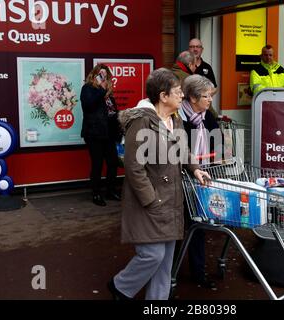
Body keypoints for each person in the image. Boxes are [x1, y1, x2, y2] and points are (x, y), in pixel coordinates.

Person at [108, 68, 210, 300]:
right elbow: (134, 167)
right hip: (150, 202)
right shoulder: (141, 122)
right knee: (152, 255)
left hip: (171, 200)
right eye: (177, 92)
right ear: (163, 96)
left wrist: (195, 169)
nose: (182, 96)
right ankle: (120, 287)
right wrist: (150, 199)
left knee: (164, 264)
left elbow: (183, 151)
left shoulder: (175, 120)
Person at [178, 74, 221, 289]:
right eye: (206, 96)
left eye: (210, 95)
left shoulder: (207, 116)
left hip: (199, 179)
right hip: (179, 180)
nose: (210, 100)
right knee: (177, 227)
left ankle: (198, 271)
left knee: (198, 225)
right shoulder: (178, 118)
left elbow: (219, 142)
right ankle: (169, 272)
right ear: (193, 98)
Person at [80, 64, 122, 207]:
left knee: (112, 162)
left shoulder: (108, 93)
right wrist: (101, 89)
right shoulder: (88, 89)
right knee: (97, 164)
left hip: (109, 133)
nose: (103, 77)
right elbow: (88, 105)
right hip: (94, 133)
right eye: (100, 75)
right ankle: (96, 193)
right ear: (94, 75)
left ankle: (110, 190)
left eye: (105, 75)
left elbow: (112, 112)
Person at [189, 38, 219, 118]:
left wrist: (204, 96)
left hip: (204, 110)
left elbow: (215, 88)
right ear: (189, 49)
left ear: (202, 50)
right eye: (192, 47)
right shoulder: (185, 66)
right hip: (187, 110)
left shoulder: (207, 67)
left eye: (198, 47)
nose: (195, 49)